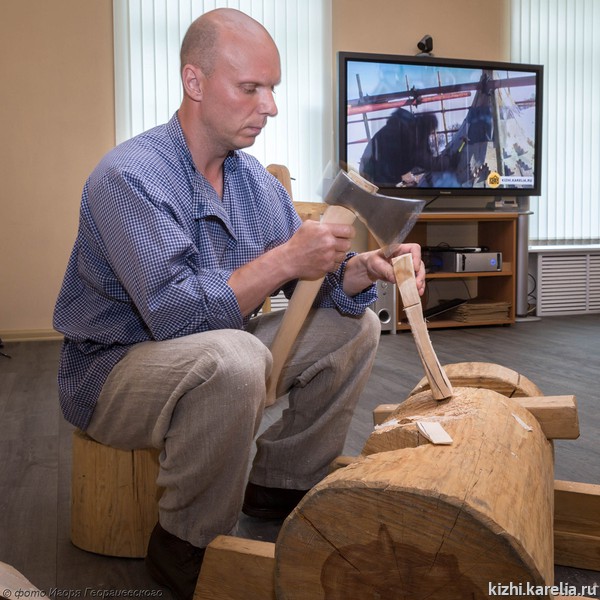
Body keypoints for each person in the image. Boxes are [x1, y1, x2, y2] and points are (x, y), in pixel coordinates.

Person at [53, 8, 425, 600]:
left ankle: (281, 482)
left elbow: (320, 289)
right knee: (234, 356)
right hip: (113, 371)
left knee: (354, 329)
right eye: (250, 88)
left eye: (272, 88)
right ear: (194, 82)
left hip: (215, 353)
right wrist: (284, 259)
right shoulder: (128, 177)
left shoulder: (255, 182)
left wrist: (362, 269)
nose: (269, 106)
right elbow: (175, 318)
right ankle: (186, 545)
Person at [360, 107, 453, 188]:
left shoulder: (405, 122)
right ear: (428, 128)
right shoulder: (414, 138)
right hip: (377, 177)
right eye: (431, 131)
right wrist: (450, 160)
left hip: (368, 164)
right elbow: (428, 162)